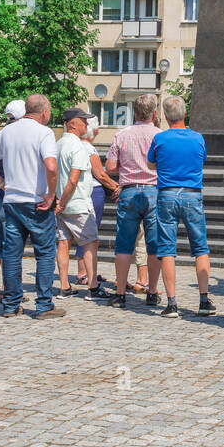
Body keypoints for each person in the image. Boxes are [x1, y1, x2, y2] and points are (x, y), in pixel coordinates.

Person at [0, 93, 62, 318]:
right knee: (44, 253)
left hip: (11, 201)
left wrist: (3, 185)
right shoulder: (44, 133)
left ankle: (11, 306)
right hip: (36, 202)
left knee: (12, 254)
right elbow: (51, 167)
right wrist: (51, 195)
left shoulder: (6, 132)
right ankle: (43, 305)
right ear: (43, 111)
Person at [148, 95, 215, 319]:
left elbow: (150, 163)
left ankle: (172, 303)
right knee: (200, 247)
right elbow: (202, 159)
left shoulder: (160, 139)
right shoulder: (198, 138)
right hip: (192, 194)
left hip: (167, 194)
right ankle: (204, 300)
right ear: (185, 114)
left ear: (165, 117)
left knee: (166, 248)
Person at [104, 94, 162, 309]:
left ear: (133, 112)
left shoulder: (121, 135)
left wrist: (127, 169)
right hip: (154, 191)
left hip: (128, 191)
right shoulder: (160, 136)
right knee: (154, 245)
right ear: (154, 113)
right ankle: (153, 292)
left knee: (124, 244)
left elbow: (110, 167)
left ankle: (120, 293)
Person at [55, 107, 107, 299]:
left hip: (63, 203)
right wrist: (63, 201)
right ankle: (93, 287)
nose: (86, 124)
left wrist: (58, 201)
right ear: (73, 124)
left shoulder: (58, 144)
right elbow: (74, 179)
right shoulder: (77, 146)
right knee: (91, 242)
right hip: (76, 203)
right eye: (83, 121)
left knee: (63, 243)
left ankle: (64, 286)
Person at [74, 115, 118, 286]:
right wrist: (116, 187)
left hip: (84, 191)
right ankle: (83, 271)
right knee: (88, 231)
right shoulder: (88, 149)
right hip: (93, 192)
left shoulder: (78, 146)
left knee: (85, 231)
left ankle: (85, 270)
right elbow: (100, 174)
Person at [0, 100, 26, 304]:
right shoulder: (15, 137)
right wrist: (4, 185)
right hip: (6, 197)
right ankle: (9, 290)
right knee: (11, 245)